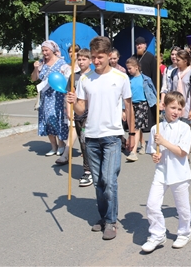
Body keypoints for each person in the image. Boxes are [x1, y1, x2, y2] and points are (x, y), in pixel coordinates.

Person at [66, 36, 135, 241]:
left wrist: (131, 133)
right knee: (98, 182)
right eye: (93, 57)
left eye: (100, 57)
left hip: (113, 136)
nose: (96, 61)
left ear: (109, 55)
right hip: (91, 137)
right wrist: (72, 102)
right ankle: (104, 217)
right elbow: (81, 108)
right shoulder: (85, 80)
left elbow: (128, 106)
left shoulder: (120, 77)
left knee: (109, 180)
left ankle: (112, 221)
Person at [142, 91, 191, 252]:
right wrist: (155, 156)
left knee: (182, 207)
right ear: (164, 107)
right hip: (161, 172)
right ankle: (157, 234)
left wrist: (164, 142)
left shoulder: (184, 128)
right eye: (173, 108)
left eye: (179, 108)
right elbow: (153, 150)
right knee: (152, 204)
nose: (176, 112)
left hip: (179, 173)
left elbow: (182, 152)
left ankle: (184, 232)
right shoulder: (156, 128)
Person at [55, 48, 93, 189]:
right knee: (83, 143)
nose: (81, 62)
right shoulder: (74, 76)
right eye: (79, 59)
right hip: (79, 115)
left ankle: (95, 167)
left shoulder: (94, 75)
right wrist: (69, 109)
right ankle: (87, 171)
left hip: (93, 114)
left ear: (90, 61)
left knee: (93, 143)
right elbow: (69, 94)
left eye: (84, 59)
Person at [31, 40, 70, 157]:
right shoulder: (41, 63)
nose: (44, 53)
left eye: (46, 50)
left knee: (56, 119)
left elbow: (67, 78)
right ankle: (53, 146)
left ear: (52, 50)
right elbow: (34, 79)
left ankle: (61, 144)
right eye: (43, 50)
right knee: (47, 120)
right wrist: (35, 69)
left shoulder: (61, 63)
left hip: (57, 96)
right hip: (45, 98)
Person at [125, 57, 157, 162]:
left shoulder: (145, 79)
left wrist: (158, 102)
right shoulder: (128, 80)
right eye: (127, 69)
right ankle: (142, 144)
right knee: (137, 126)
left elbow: (153, 90)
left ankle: (133, 152)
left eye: (130, 68)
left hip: (142, 104)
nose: (128, 70)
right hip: (131, 105)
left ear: (137, 67)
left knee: (136, 127)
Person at [162, 49, 191, 125]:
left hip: (186, 108)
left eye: (178, 60)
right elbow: (170, 90)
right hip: (174, 108)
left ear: (185, 61)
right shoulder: (174, 72)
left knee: (184, 132)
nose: (176, 61)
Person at [133, 37, 158, 132]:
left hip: (148, 87)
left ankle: (149, 125)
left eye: (141, 44)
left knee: (149, 107)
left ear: (145, 45)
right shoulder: (133, 57)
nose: (139, 46)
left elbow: (155, 74)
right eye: (137, 44)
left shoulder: (150, 57)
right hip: (137, 88)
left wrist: (156, 89)